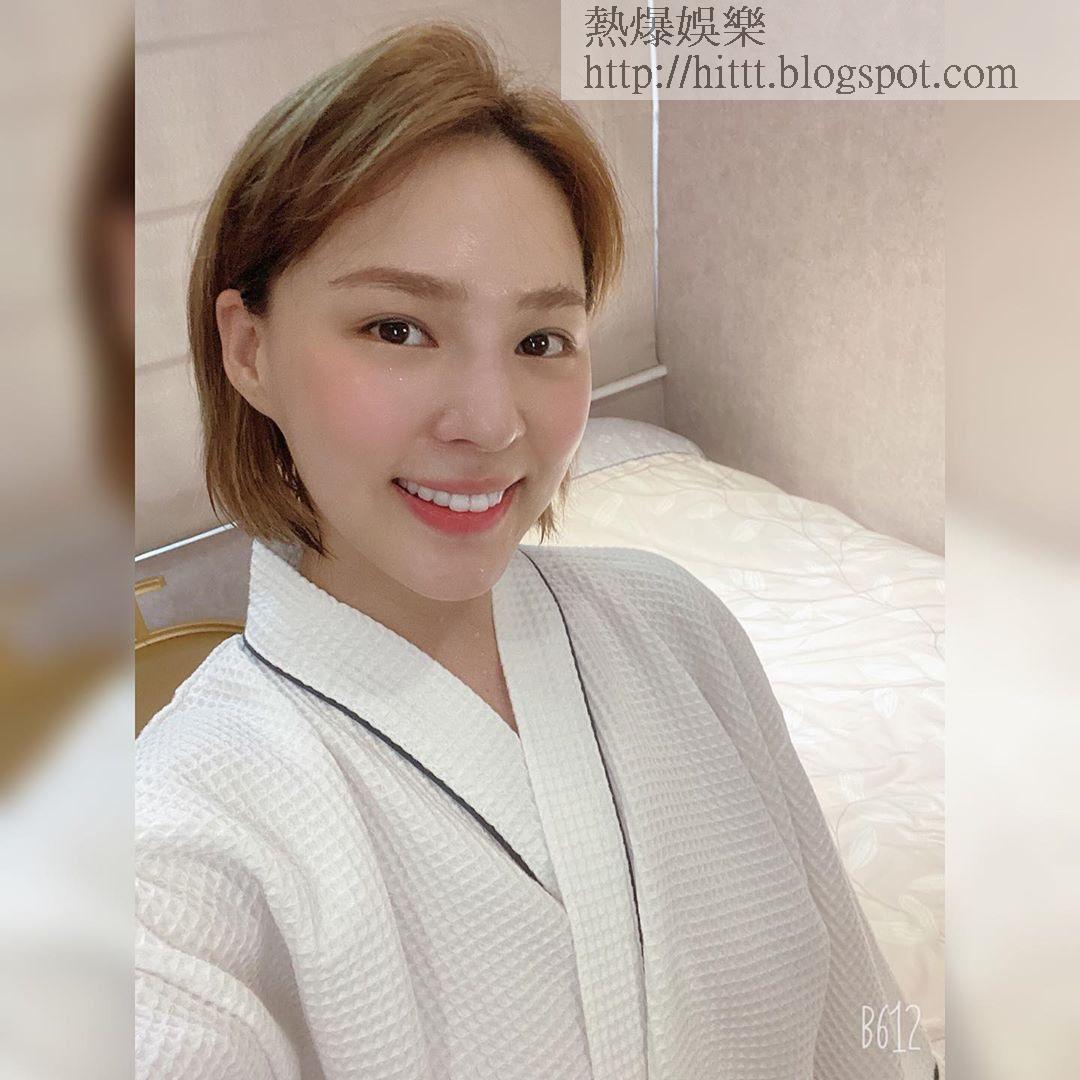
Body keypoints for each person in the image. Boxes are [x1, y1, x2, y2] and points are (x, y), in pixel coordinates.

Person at [135, 22, 940, 1080]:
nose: (491, 422)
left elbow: (860, 1021)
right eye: (397, 328)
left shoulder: (679, 626)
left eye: (540, 341)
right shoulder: (181, 832)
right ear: (250, 349)